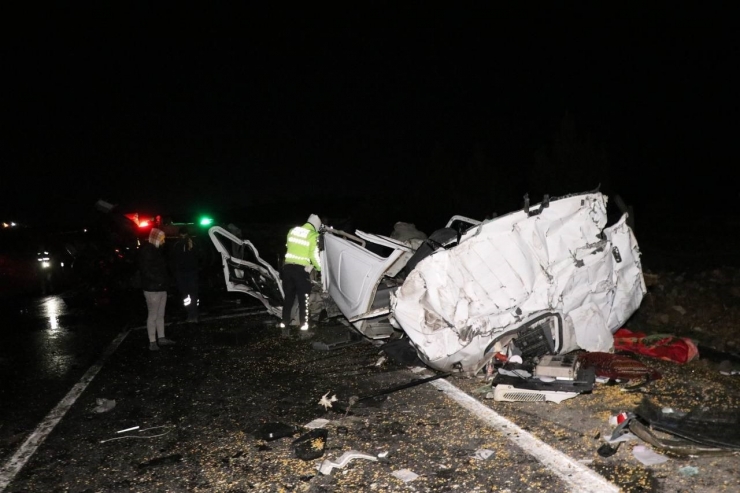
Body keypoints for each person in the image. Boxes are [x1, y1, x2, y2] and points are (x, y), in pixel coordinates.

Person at [280, 214, 322, 336]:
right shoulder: (313, 235)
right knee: (304, 300)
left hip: (287, 269)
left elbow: (289, 247)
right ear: (316, 226)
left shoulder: (292, 231)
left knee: (288, 299)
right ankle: (304, 331)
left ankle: (285, 329)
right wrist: (319, 268)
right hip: (300, 271)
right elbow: (314, 255)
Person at [138, 228, 176, 351]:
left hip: (160, 287)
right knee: (153, 315)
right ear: (155, 237)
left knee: (160, 314)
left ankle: (161, 338)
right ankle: (152, 341)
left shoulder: (156, 249)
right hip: (152, 288)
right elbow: (146, 270)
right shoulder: (148, 250)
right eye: (161, 238)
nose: (163, 240)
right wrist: (159, 281)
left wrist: (164, 282)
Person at [171, 226, 200, 323]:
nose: (183, 237)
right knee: (186, 296)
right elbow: (174, 259)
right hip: (182, 274)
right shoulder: (177, 245)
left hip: (190, 273)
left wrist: (192, 249)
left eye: (184, 235)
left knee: (192, 295)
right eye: (182, 235)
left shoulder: (193, 244)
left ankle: (194, 315)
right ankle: (190, 314)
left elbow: (199, 257)